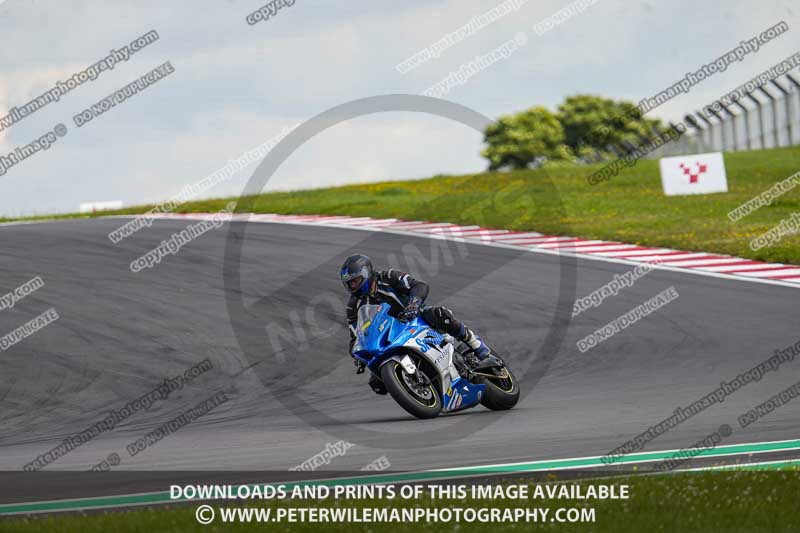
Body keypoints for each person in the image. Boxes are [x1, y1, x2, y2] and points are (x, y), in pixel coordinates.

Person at [340, 254, 492, 389]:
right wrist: (357, 355)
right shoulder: (352, 307)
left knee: (439, 314)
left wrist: (414, 304)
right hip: (388, 339)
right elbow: (356, 337)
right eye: (349, 283)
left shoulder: (388, 277)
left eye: (355, 281)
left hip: (414, 319)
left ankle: (479, 348)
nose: (352, 286)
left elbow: (419, 285)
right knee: (376, 383)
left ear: (366, 273)